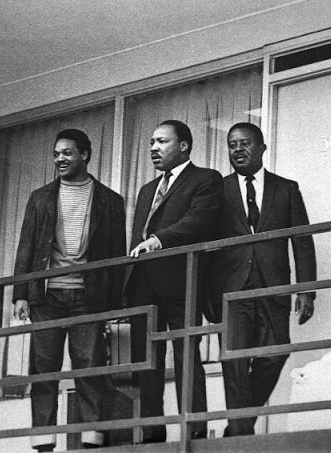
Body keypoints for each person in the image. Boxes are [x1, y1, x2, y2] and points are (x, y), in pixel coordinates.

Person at [12, 129, 126, 451]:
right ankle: (43, 442)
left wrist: (114, 306)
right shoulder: (40, 197)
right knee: (43, 369)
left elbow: (117, 255)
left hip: (88, 298)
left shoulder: (110, 200)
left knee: (89, 368)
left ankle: (91, 438)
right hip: (47, 297)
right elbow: (27, 247)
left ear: (85, 155)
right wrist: (21, 293)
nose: (60, 159)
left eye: (67, 153)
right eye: (56, 154)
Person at [210, 122, 316, 436]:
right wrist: (207, 298)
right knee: (235, 362)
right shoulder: (218, 190)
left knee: (277, 351)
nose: (237, 150)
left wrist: (306, 290)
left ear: (261, 148)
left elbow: (302, 240)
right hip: (232, 291)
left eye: (244, 143)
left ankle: (239, 426)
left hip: (274, 285)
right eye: (232, 145)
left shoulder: (286, 189)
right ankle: (241, 435)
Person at [125, 120, 222, 443]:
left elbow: (199, 221)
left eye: (162, 142)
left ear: (183, 146)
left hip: (183, 281)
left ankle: (193, 431)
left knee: (186, 356)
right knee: (146, 361)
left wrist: (158, 240)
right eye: (151, 142)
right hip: (143, 284)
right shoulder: (146, 190)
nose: (153, 148)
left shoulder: (205, 179)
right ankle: (151, 432)